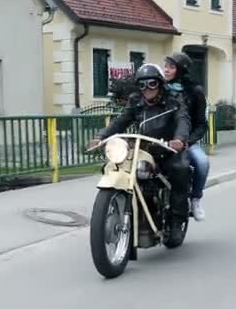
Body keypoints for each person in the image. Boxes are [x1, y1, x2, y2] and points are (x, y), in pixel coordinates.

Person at [90, 63, 192, 247]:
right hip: (143, 148)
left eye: (152, 83)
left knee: (181, 169)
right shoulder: (136, 101)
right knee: (116, 166)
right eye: (143, 84)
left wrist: (179, 139)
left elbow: (182, 119)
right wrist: (101, 136)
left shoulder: (174, 99)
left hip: (168, 149)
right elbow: (121, 121)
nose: (147, 89)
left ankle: (177, 221)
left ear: (160, 84)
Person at [163, 52, 209, 222]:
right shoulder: (159, 87)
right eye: (166, 66)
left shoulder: (195, 92)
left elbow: (202, 124)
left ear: (181, 70)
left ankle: (195, 199)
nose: (166, 70)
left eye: (171, 67)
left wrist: (188, 141)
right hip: (159, 139)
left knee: (202, 162)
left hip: (186, 141)